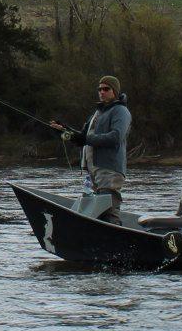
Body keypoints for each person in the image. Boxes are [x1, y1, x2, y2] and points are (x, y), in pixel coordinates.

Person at [51, 76, 131, 223]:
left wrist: (85, 139)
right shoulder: (97, 112)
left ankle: (115, 239)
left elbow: (115, 137)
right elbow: (82, 137)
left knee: (108, 210)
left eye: (106, 89)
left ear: (115, 91)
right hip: (93, 169)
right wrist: (64, 131)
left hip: (109, 168)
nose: (102, 92)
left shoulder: (121, 111)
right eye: (99, 89)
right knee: (98, 211)